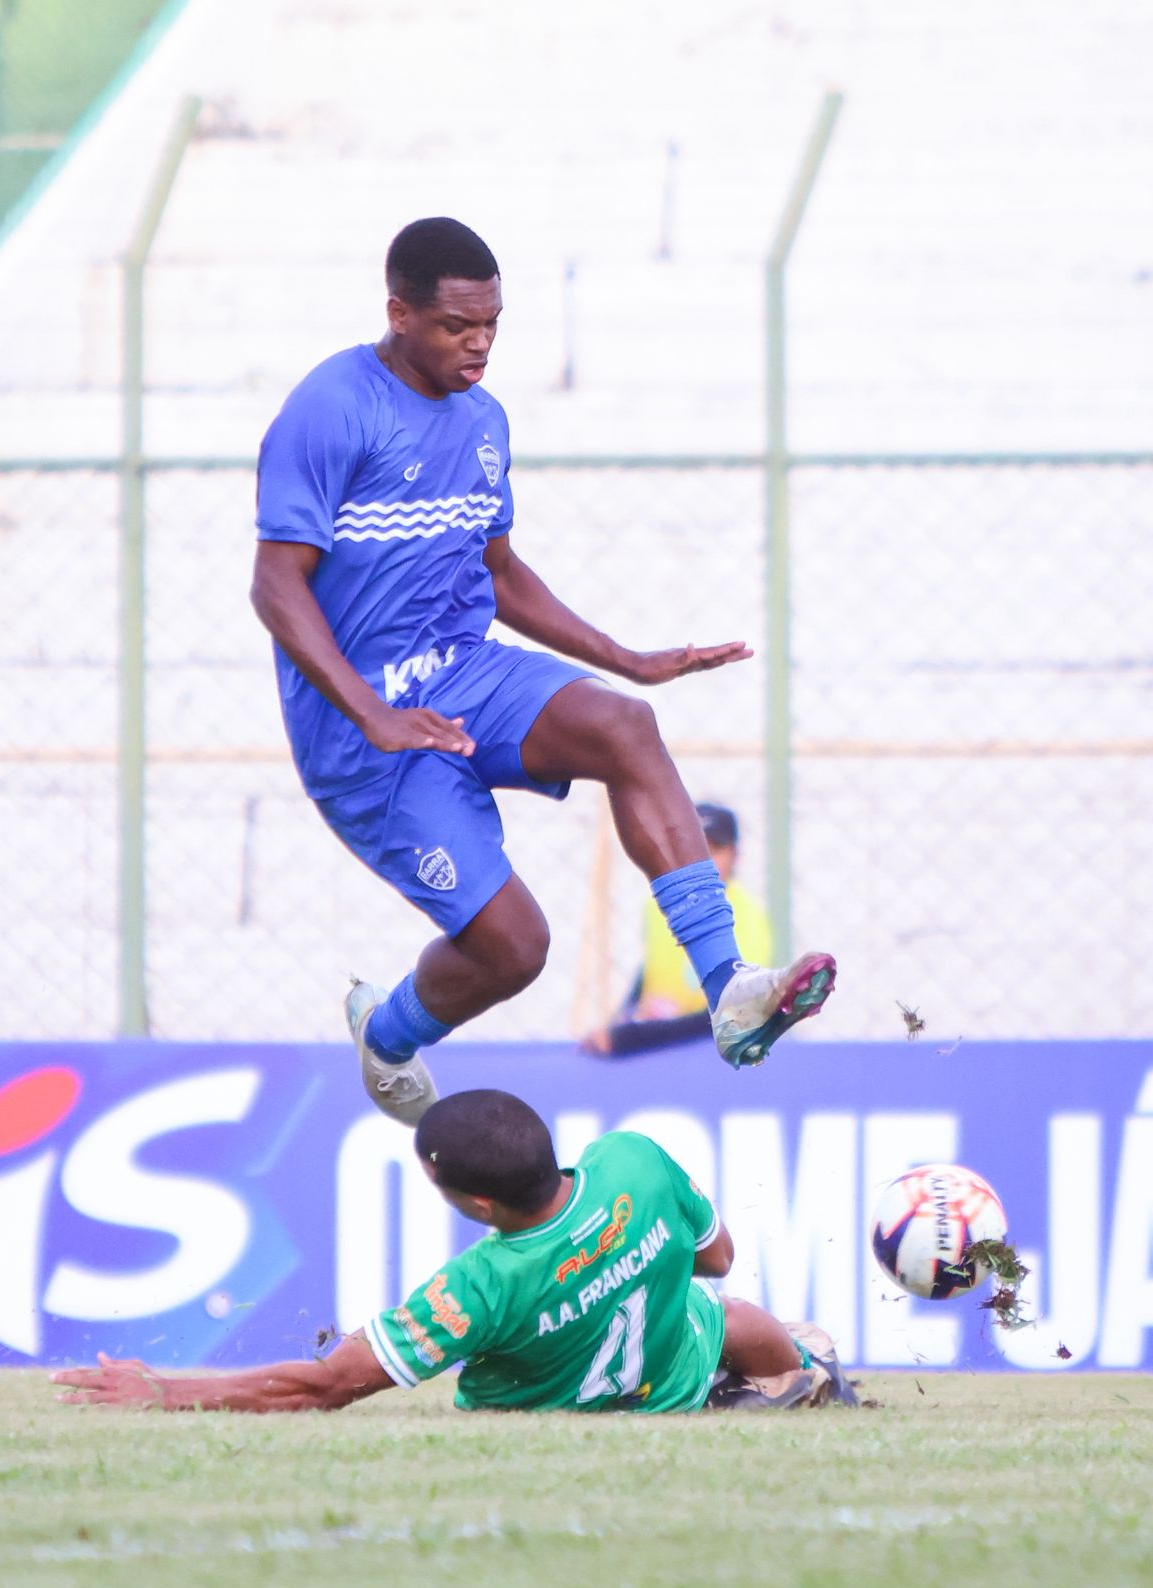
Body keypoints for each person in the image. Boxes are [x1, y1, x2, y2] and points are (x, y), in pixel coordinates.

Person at [250, 216, 835, 1126]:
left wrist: (626, 659)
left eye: (492, 324)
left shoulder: (484, 422)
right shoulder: (331, 410)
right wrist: (371, 712)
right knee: (517, 949)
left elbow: (499, 573)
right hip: (365, 737)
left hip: (465, 674)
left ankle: (727, 989)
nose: (479, 344)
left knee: (624, 726)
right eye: (456, 326)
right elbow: (274, 585)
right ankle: (389, 1037)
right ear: (399, 314)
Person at [53, 1089, 857, 1415]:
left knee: (722, 1318)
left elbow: (325, 1386)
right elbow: (716, 1258)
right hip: (669, 1378)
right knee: (734, 1315)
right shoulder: (634, 1160)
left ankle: (774, 1382)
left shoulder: (479, 1285)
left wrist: (167, 1391)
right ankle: (796, 1382)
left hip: (564, 1409)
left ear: (477, 1205)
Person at [584, 802, 774, 1057]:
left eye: (714, 850)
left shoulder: (748, 916)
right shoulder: (658, 907)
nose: (704, 860)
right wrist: (621, 1021)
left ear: (734, 855)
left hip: (707, 1052)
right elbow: (649, 973)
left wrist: (633, 1037)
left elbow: (740, 1012)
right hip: (654, 1051)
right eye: (694, 849)